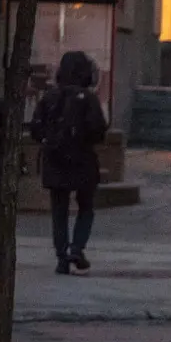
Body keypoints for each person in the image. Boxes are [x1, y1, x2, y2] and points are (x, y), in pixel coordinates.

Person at [29, 50, 109, 275]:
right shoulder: (88, 98)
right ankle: (77, 247)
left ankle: (61, 256)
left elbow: (36, 128)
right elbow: (98, 130)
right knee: (86, 207)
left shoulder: (50, 97)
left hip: (54, 160)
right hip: (82, 159)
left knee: (59, 211)